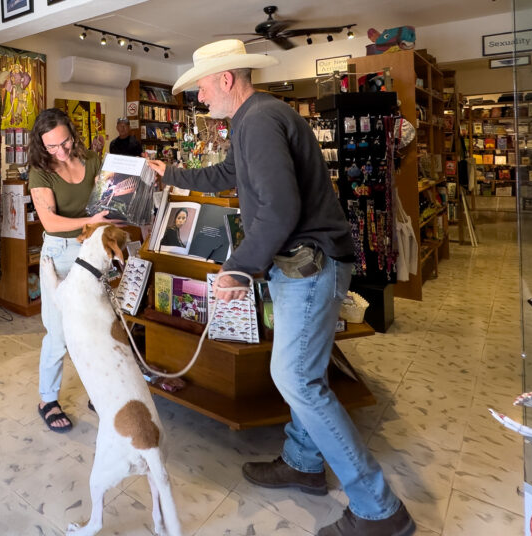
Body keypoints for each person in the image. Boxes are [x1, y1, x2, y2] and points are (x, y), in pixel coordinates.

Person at [146, 40, 414, 536]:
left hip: (309, 266)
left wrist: (238, 267)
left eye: (203, 87)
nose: (200, 100)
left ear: (226, 79)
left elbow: (281, 209)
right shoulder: (256, 119)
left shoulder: (260, 121)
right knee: (300, 372)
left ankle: (380, 510)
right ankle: (302, 463)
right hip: (303, 264)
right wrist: (172, 174)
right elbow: (230, 175)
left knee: (296, 380)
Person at [28, 108, 117, 433]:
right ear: (42, 146)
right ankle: (47, 399)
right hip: (60, 254)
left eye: (64, 142)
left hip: (93, 249)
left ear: (72, 134)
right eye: (52, 146)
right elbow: (50, 222)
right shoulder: (40, 171)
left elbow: (103, 202)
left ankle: (99, 389)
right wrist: (91, 221)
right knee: (59, 333)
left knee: (99, 325)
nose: (60, 151)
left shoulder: (93, 159)